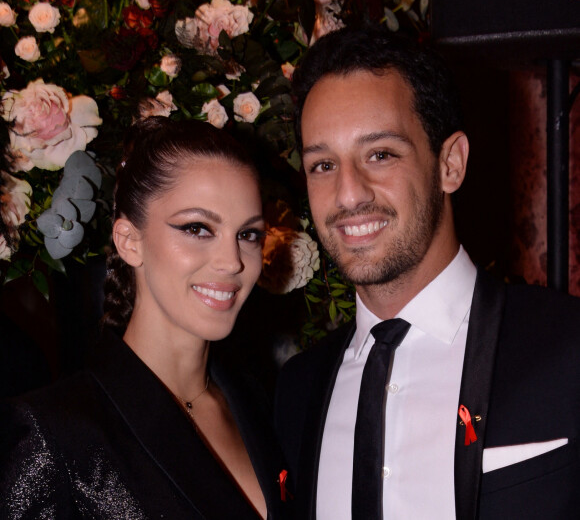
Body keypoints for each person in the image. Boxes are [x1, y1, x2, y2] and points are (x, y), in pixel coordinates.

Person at [274, 25, 580, 519]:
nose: (348, 195)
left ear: (451, 164)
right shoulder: (296, 392)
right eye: (323, 165)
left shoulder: (568, 350)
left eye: (380, 154)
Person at [0, 116, 289, 519]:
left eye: (248, 234)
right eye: (198, 228)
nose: (232, 262)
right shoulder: (56, 433)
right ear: (130, 242)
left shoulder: (261, 402)